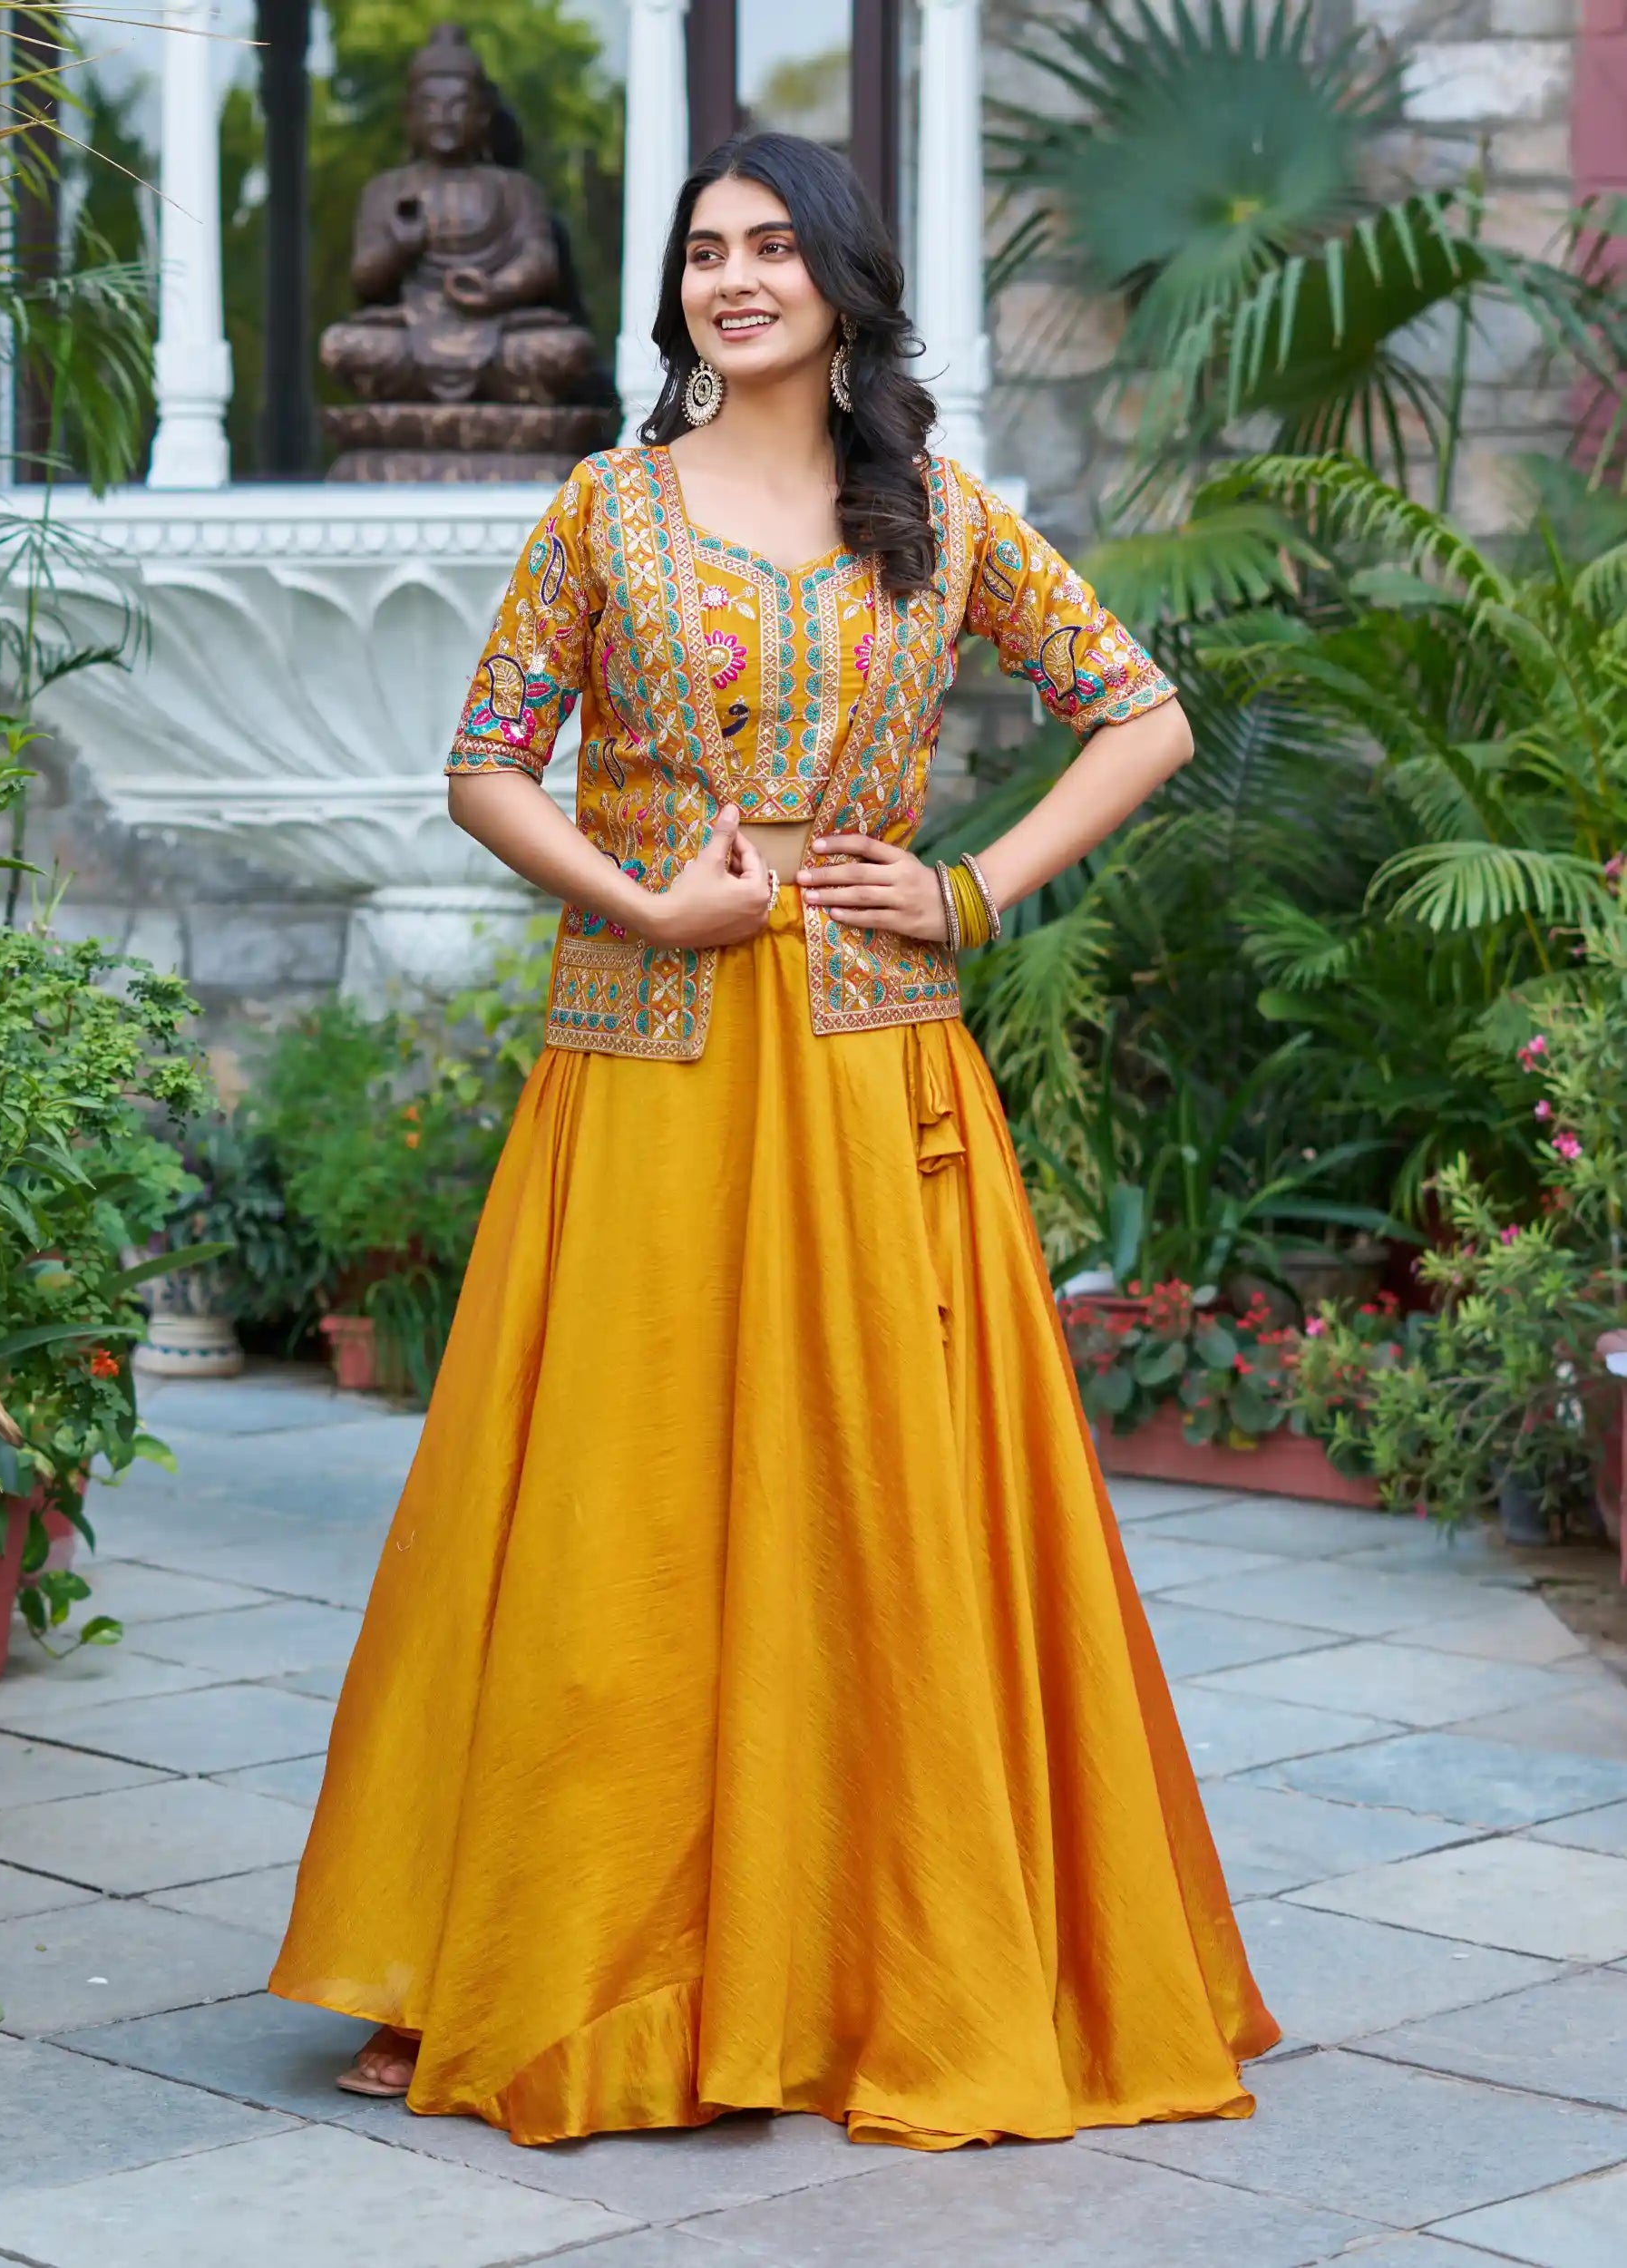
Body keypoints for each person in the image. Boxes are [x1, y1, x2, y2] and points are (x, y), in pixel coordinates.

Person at [271, 130, 1279, 2152]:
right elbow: (484, 763)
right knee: (613, 1530)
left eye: (765, 248)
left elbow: (1140, 713)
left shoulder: (934, 517)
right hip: (643, 1060)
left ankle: (871, 1958)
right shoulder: (600, 509)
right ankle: (549, 1953)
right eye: (701, 252)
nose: (730, 279)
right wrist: (644, 903)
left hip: (866, 1072)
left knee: (874, 1523)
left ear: (836, 279)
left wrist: (972, 890)